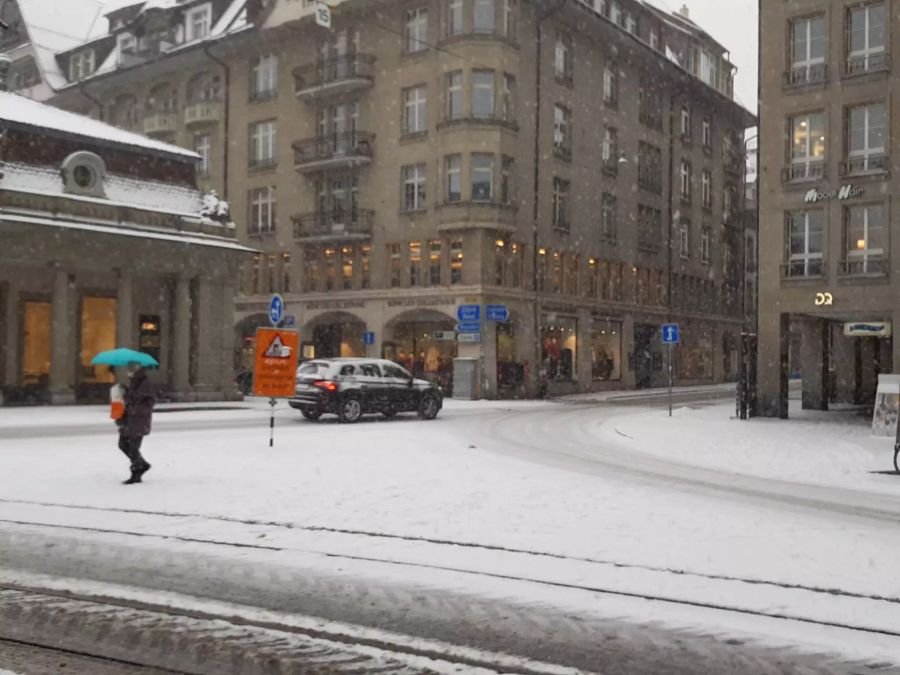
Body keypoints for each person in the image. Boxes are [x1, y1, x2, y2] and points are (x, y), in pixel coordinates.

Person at [117, 362, 155, 485]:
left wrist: (132, 408)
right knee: (123, 444)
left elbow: (148, 403)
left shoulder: (144, 383)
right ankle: (141, 465)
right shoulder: (135, 383)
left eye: (131, 368)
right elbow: (131, 398)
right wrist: (124, 391)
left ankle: (137, 472)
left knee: (132, 447)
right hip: (128, 420)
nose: (128, 371)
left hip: (138, 421)